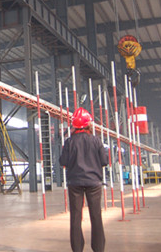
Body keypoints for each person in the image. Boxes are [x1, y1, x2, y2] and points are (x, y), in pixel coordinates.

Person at [59, 107, 108, 252]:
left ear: (74, 125)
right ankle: (98, 248)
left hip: (75, 183)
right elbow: (104, 161)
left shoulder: (69, 142)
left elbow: (63, 161)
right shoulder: (96, 141)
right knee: (96, 216)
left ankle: (77, 249)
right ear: (88, 124)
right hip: (94, 182)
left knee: (75, 217)